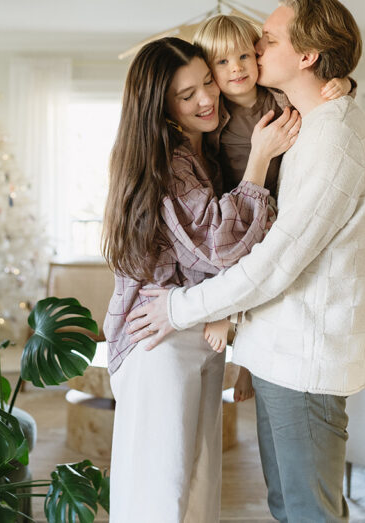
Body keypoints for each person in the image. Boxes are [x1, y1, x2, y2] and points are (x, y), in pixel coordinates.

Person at [127, 0, 365, 522]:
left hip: (304, 358)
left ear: (308, 56)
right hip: (280, 352)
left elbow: (276, 260)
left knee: (306, 513)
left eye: (267, 40)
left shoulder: (333, 135)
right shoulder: (306, 124)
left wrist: (179, 308)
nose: (254, 50)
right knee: (288, 508)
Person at [101, 36, 301, 522]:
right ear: (161, 107)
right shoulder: (167, 160)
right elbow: (219, 244)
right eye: (186, 95)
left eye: (207, 82)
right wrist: (259, 160)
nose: (207, 99)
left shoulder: (205, 153)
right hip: (156, 337)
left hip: (192, 328)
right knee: (160, 492)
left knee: (196, 487)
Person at [192, 13, 352, 402]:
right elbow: (210, 172)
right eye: (223, 63)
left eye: (245, 56)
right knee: (231, 260)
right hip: (241, 200)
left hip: (284, 199)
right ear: (210, 72)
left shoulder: (276, 96)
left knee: (269, 281)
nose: (237, 69)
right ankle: (223, 317)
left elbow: (317, 93)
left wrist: (344, 82)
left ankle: (248, 365)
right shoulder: (215, 118)